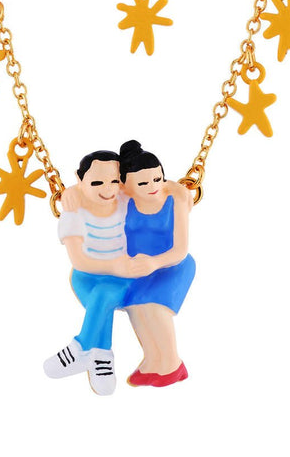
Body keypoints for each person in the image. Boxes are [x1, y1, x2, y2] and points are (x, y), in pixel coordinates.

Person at [42, 150, 154, 395]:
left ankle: (85, 350)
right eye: (96, 183)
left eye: (114, 180)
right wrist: (71, 192)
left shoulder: (125, 199)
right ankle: (97, 356)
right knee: (102, 295)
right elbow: (79, 261)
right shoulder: (74, 212)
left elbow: (159, 187)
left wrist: (181, 192)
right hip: (86, 278)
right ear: (79, 179)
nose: (108, 188)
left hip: (123, 280)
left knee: (104, 295)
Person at [118, 140, 195, 387]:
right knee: (136, 309)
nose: (152, 186)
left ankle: (172, 364)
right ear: (125, 185)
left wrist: (154, 263)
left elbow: (181, 250)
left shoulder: (175, 199)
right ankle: (153, 361)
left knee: (155, 309)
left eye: (157, 179)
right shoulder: (124, 200)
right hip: (140, 270)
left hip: (172, 265)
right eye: (143, 183)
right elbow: (92, 194)